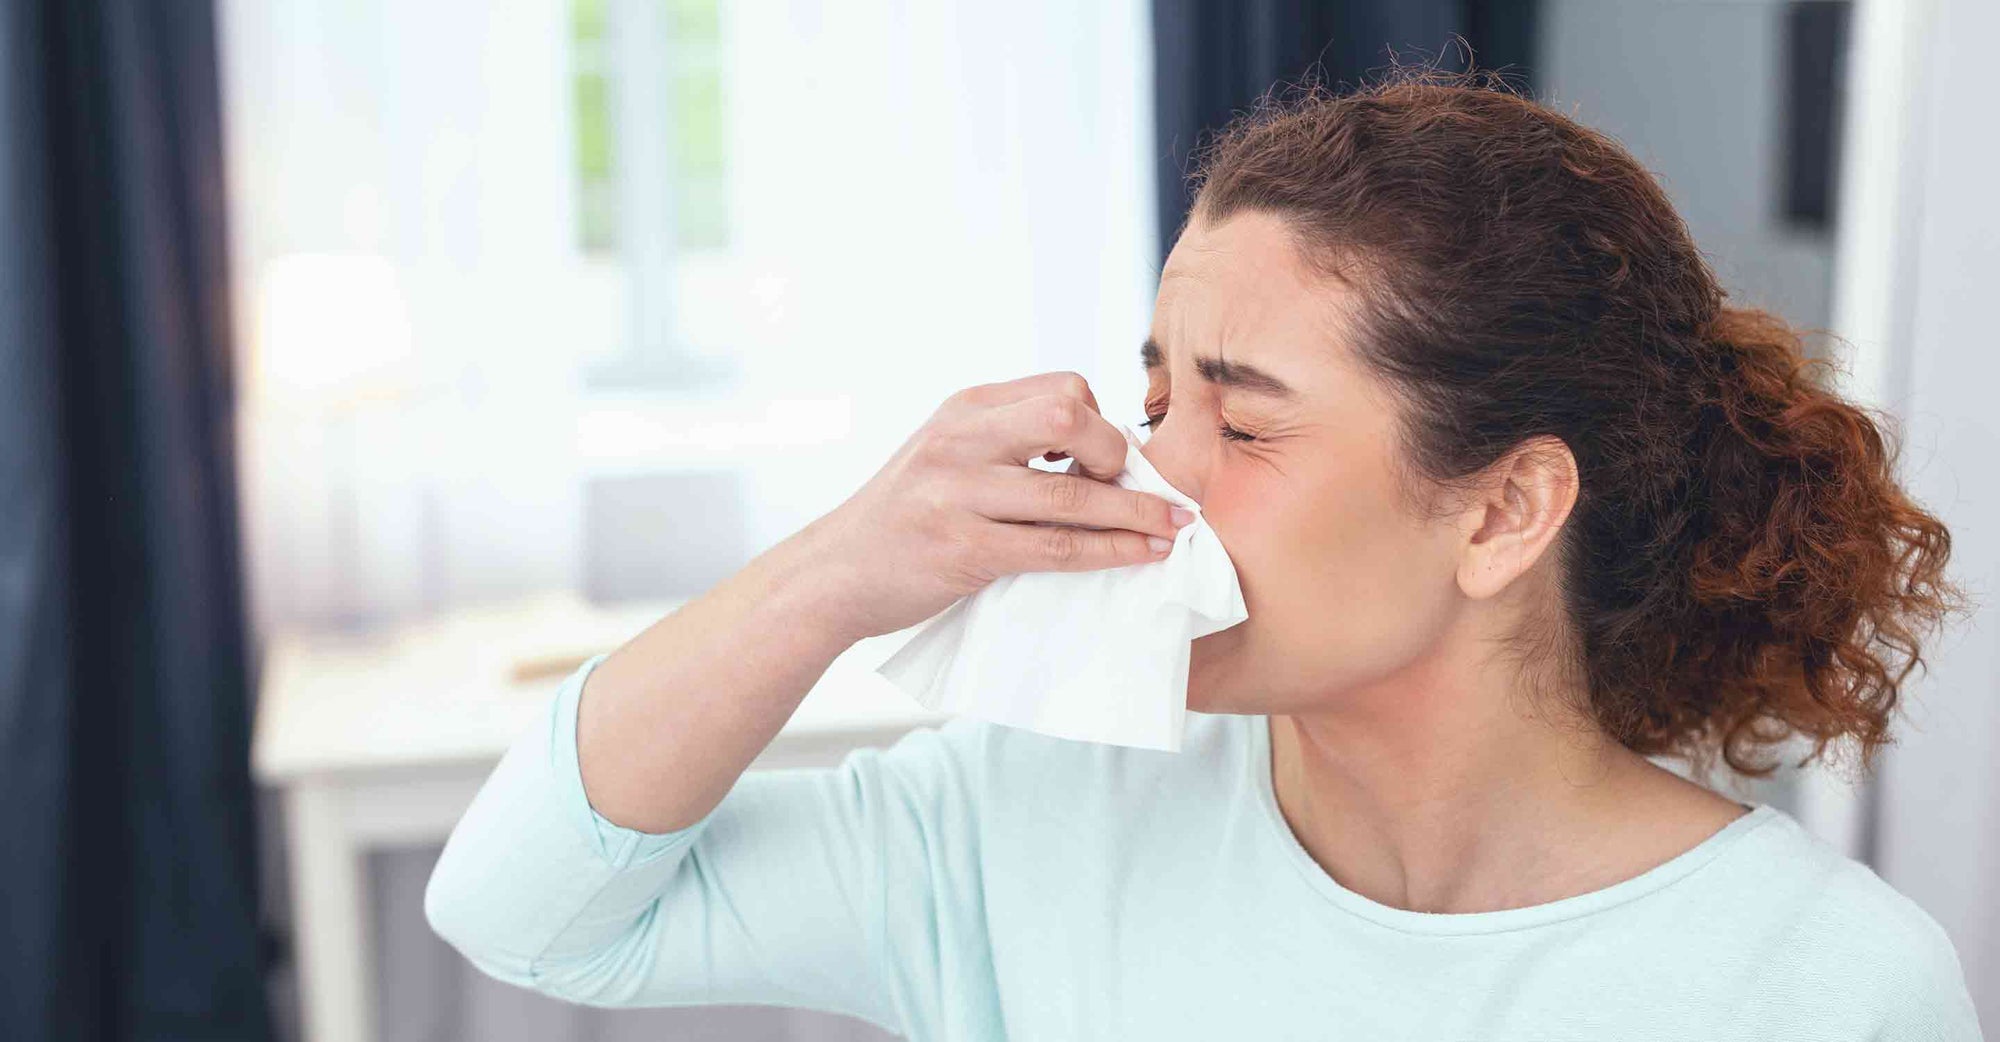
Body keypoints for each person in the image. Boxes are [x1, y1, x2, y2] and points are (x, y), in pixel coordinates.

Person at [424, 73, 1984, 1039]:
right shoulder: (1025, 816)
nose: (1147, 472)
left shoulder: (1819, 987)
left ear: (1503, 512)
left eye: (1241, 426)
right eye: (1155, 394)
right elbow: (529, 907)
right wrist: (841, 568)